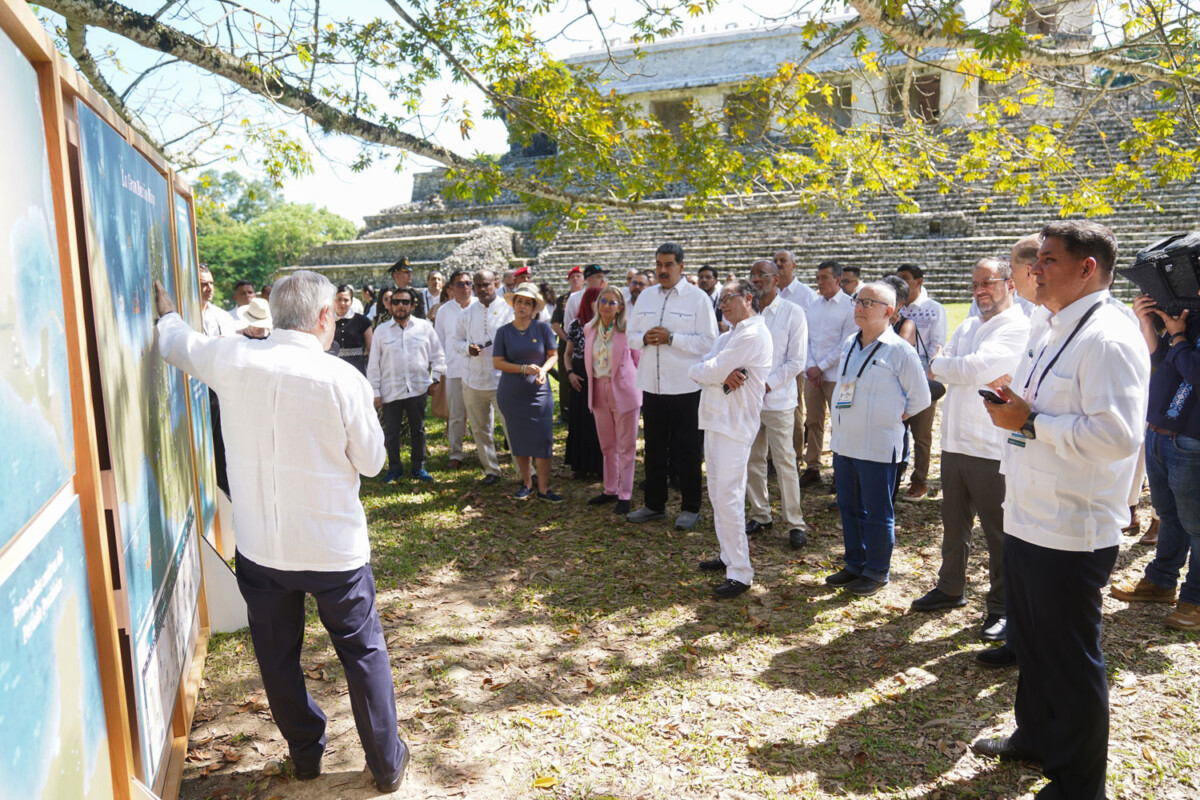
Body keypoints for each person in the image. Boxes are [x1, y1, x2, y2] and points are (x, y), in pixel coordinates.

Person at [154, 271, 409, 793]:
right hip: (332, 547)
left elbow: (177, 343)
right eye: (334, 315)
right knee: (362, 654)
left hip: (261, 547)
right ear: (321, 317)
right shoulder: (341, 378)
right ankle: (385, 762)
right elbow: (374, 463)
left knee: (277, 656)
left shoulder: (233, 358)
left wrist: (166, 311)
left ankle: (305, 753)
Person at [973, 221, 1149, 800]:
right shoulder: (1049, 326)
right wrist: (1016, 401)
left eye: (1048, 259)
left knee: (1071, 658)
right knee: (1034, 640)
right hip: (1029, 510)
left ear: (1087, 268)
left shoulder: (1109, 336)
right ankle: (1036, 736)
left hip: (1071, 524)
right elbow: (1038, 397)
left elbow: (1119, 435)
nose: (1035, 269)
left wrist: (1030, 420)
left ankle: (1078, 784)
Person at [910, 258, 1029, 644]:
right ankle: (950, 587)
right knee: (953, 524)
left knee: (999, 533)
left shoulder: (1016, 327)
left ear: (1009, 284)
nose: (980, 290)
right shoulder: (968, 324)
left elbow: (975, 367)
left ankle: (1002, 607)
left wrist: (945, 364)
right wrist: (951, 366)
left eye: (989, 282)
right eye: (975, 283)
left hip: (990, 447)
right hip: (955, 442)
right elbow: (949, 368)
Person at [825, 282, 930, 596]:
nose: (859, 306)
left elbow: (921, 398)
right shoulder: (848, 343)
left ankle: (876, 570)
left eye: (869, 302)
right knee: (849, 507)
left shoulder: (900, 350)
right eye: (858, 300)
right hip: (845, 443)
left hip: (878, 446)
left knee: (877, 511)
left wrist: (893, 416)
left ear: (888, 312)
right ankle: (854, 563)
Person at [1109, 288, 1200, 631]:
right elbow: (1165, 360)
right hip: (1161, 432)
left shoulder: (1183, 326)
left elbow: (1195, 370)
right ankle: (1161, 582)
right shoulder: (1189, 315)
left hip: (1192, 437)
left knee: (1197, 524)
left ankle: (1195, 601)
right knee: (1169, 515)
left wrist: (1177, 335)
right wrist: (1148, 324)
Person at [626, 243, 719, 529]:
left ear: (681, 266)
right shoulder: (645, 298)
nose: (662, 270)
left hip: (684, 386)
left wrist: (671, 338)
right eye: (659, 265)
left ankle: (691, 507)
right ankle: (655, 504)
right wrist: (645, 339)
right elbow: (630, 336)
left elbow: (709, 341)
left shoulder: (697, 299)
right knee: (653, 448)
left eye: (668, 265)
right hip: (652, 386)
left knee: (687, 449)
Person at [691, 279, 773, 598]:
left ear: (748, 298)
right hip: (715, 420)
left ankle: (740, 571)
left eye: (728, 298)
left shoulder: (753, 333)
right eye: (720, 300)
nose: (722, 304)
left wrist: (711, 372)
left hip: (735, 425)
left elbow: (709, 368)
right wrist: (712, 373)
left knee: (729, 496)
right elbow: (700, 369)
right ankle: (727, 557)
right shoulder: (729, 335)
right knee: (716, 493)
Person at [745, 260, 809, 548]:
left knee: (784, 461)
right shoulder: (746, 313)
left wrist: (767, 383)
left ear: (777, 280)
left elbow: (796, 361)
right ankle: (761, 514)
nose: (757, 279)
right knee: (752, 459)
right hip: (747, 401)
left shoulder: (793, 312)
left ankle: (794, 522)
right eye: (753, 275)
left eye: (763, 275)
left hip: (778, 401)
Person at [368, 287, 446, 483]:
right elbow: (373, 364)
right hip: (390, 390)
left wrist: (435, 379)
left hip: (418, 388)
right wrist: (375, 392)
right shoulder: (381, 331)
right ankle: (394, 469)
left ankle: (419, 468)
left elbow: (438, 356)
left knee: (418, 430)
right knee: (391, 432)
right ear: (390, 306)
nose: (400, 306)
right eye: (396, 302)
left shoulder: (424, 327)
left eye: (404, 302)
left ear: (412, 305)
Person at [493, 283, 562, 501]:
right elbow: (498, 362)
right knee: (519, 439)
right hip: (512, 393)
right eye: (519, 301)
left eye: (527, 302)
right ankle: (527, 483)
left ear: (534, 308)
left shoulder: (542, 328)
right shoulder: (503, 332)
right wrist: (523, 368)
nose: (522, 306)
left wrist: (543, 369)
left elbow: (553, 355)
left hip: (539, 392)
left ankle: (543, 488)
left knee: (543, 438)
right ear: (513, 305)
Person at [584, 286, 642, 514]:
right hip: (598, 389)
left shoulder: (627, 330)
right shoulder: (590, 328)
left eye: (612, 302)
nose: (607, 306)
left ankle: (625, 493)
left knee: (626, 445)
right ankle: (610, 489)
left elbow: (639, 360)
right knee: (607, 445)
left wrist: (637, 387)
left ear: (620, 308)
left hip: (625, 391)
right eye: (603, 301)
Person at [453, 269, 514, 486]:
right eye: (477, 285)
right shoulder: (466, 314)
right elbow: (456, 341)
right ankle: (491, 469)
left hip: (503, 380)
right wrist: (466, 348)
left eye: (485, 285)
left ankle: (525, 469)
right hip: (474, 381)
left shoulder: (509, 310)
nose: (481, 289)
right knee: (480, 429)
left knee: (511, 427)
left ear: (495, 284)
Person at [800, 260, 856, 489]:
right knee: (813, 421)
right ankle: (812, 467)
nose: (820, 282)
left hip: (839, 375)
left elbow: (846, 343)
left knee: (842, 422)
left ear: (838, 280)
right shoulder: (814, 305)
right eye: (818, 277)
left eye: (824, 277)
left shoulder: (850, 306)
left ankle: (840, 470)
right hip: (813, 375)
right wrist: (813, 367)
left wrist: (821, 367)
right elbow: (807, 339)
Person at [896, 263, 947, 500]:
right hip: (897, 380)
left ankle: (920, 481)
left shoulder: (933, 309)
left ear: (919, 281)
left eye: (905, 279)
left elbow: (938, 344)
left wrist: (925, 378)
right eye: (898, 279)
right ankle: (897, 473)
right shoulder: (896, 308)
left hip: (923, 380)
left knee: (922, 435)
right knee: (897, 430)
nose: (901, 283)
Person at [433, 270, 477, 469]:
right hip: (454, 369)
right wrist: (440, 369)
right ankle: (456, 453)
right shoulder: (444, 311)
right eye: (460, 284)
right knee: (456, 415)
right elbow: (439, 342)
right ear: (450, 288)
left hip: (480, 371)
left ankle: (485, 453)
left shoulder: (481, 307)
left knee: (482, 415)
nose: (465, 287)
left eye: (468, 283)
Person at [564, 287, 606, 479]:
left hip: (600, 374)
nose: (600, 304)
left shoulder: (608, 324)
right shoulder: (576, 324)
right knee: (581, 419)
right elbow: (567, 354)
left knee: (600, 422)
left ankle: (600, 465)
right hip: (580, 374)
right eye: (596, 300)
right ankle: (580, 464)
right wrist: (571, 373)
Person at [331, 284, 373, 376]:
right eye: (339, 299)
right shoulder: (327, 321)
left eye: (346, 300)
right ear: (333, 300)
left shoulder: (363, 321)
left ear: (351, 302)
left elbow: (371, 350)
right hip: (334, 368)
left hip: (357, 368)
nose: (342, 303)